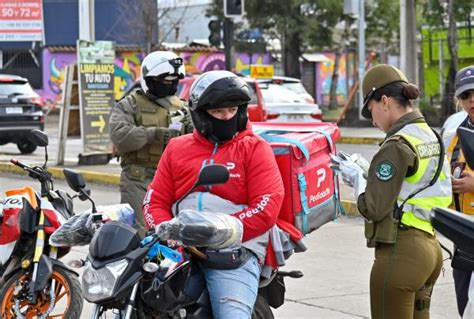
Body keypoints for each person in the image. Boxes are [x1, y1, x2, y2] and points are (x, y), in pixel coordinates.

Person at [142, 70, 285, 318]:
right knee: (137, 295)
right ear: (200, 114)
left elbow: (268, 204)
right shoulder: (177, 148)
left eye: (232, 111)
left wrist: (222, 230)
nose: (226, 117)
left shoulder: (255, 149)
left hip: (234, 251)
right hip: (177, 245)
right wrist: (166, 231)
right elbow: (155, 200)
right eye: (218, 112)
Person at [337, 64, 452, 319]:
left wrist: (357, 180)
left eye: (372, 110)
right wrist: (370, 172)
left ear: (385, 101)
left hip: (402, 252)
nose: (374, 120)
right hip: (431, 250)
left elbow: (373, 208)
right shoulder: (429, 135)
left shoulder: (396, 144)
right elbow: (414, 185)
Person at [109, 51, 192, 238]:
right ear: (150, 79)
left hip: (175, 180)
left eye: (173, 81)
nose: (170, 85)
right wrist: (156, 134)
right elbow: (120, 136)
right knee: (141, 234)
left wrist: (193, 124)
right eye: (164, 81)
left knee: (177, 233)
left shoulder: (182, 107)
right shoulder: (129, 105)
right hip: (140, 180)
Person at [446, 65, 474, 318]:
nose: (472, 100)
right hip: (465, 237)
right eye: (466, 95)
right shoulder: (455, 136)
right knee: (465, 306)